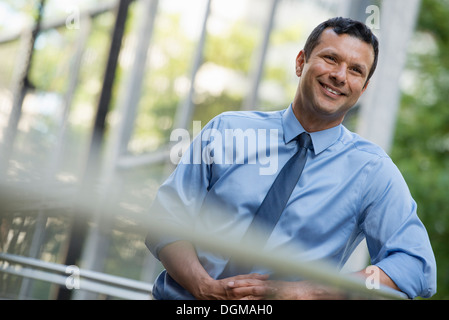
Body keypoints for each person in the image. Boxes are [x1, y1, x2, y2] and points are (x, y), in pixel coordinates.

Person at [145, 17, 436, 300]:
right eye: (331, 58)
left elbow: (415, 266)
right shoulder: (227, 130)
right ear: (300, 62)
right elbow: (165, 220)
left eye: (356, 70)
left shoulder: (372, 171)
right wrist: (205, 289)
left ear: (363, 88)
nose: (340, 75)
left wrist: (308, 292)